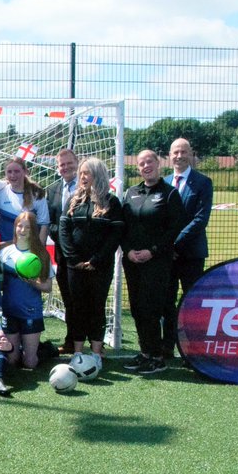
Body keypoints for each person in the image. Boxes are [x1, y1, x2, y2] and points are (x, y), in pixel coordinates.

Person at [122, 149, 186, 375]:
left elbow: (173, 229)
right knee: (137, 308)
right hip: (132, 261)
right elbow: (124, 227)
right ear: (138, 168)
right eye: (141, 163)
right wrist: (128, 251)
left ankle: (158, 356)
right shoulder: (131, 192)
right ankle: (145, 352)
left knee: (151, 308)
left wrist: (153, 251)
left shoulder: (169, 194)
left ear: (158, 164)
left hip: (156, 261)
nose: (146, 166)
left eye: (150, 161)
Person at [59, 157, 124, 360]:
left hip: (100, 267)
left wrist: (96, 260)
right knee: (77, 308)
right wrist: (73, 258)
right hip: (74, 267)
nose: (82, 177)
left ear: (98, 174)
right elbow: (64, 230)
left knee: (97, 307)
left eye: (87, 173)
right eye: (81, 173)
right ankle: (78, 352)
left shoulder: (111, 201)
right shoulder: (74, 200)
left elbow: (115, 236)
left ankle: (96, 353)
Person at [161, 137, 214, 359]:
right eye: (175, 152)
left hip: (191, 254)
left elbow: (200, 219)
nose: (179, 156)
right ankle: (168, 346)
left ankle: (193, 349)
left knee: (192, 302)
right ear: (169, 155)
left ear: (191, 154)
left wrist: (175, 243)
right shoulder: (163, 182)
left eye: (184, 152)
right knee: (166, 300)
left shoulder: (203, 182)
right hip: (166, 255)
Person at [0, 210, 52, 369]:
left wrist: (32, 282)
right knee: (12, 361)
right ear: (15, 228)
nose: (22, 230)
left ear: (33, 230)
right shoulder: (6, 252)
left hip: (30, 311)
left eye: (27, 227)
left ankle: (47, 349)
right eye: (19, 226)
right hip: (9, 311)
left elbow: (48, 287)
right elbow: (0, 282)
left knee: (29, 363)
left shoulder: (40, 254)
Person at [46, 148, 81, 353]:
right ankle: (71, 341)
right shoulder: (52, 190)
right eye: (62, 164)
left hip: (85, 255)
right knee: (69, 300)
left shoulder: (89, 186)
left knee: (88, 300)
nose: (65, 167)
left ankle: (96, 343)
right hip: (63, 254)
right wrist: (64, 236)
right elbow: (49, 223)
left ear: (77, 163)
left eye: (69, 163)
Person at [0, 156, 49, 244]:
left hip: (29, 251)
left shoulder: (36, 194)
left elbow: (44, 224)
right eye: (9, 172)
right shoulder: (0, 193)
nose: (13, 175)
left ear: (25, 172)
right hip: (7, 250)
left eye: (16, 171)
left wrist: (40, 250)